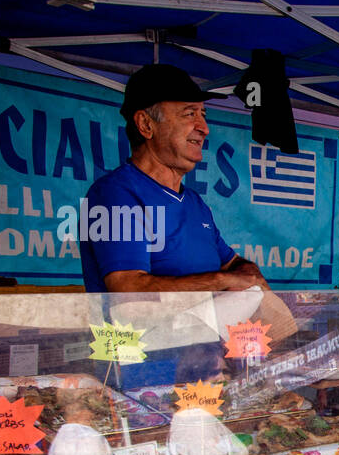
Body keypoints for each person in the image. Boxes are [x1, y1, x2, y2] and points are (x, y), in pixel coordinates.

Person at [81, 64, 268, 293]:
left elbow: (233, 264)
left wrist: (249, 274)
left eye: (203, 115)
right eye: (190, 114)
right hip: (137, 331)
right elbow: (127, 295)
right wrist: (221, 282)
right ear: (146, 124)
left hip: (202, 330)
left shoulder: (195, 204)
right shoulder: (114, 193)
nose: (204, 128)